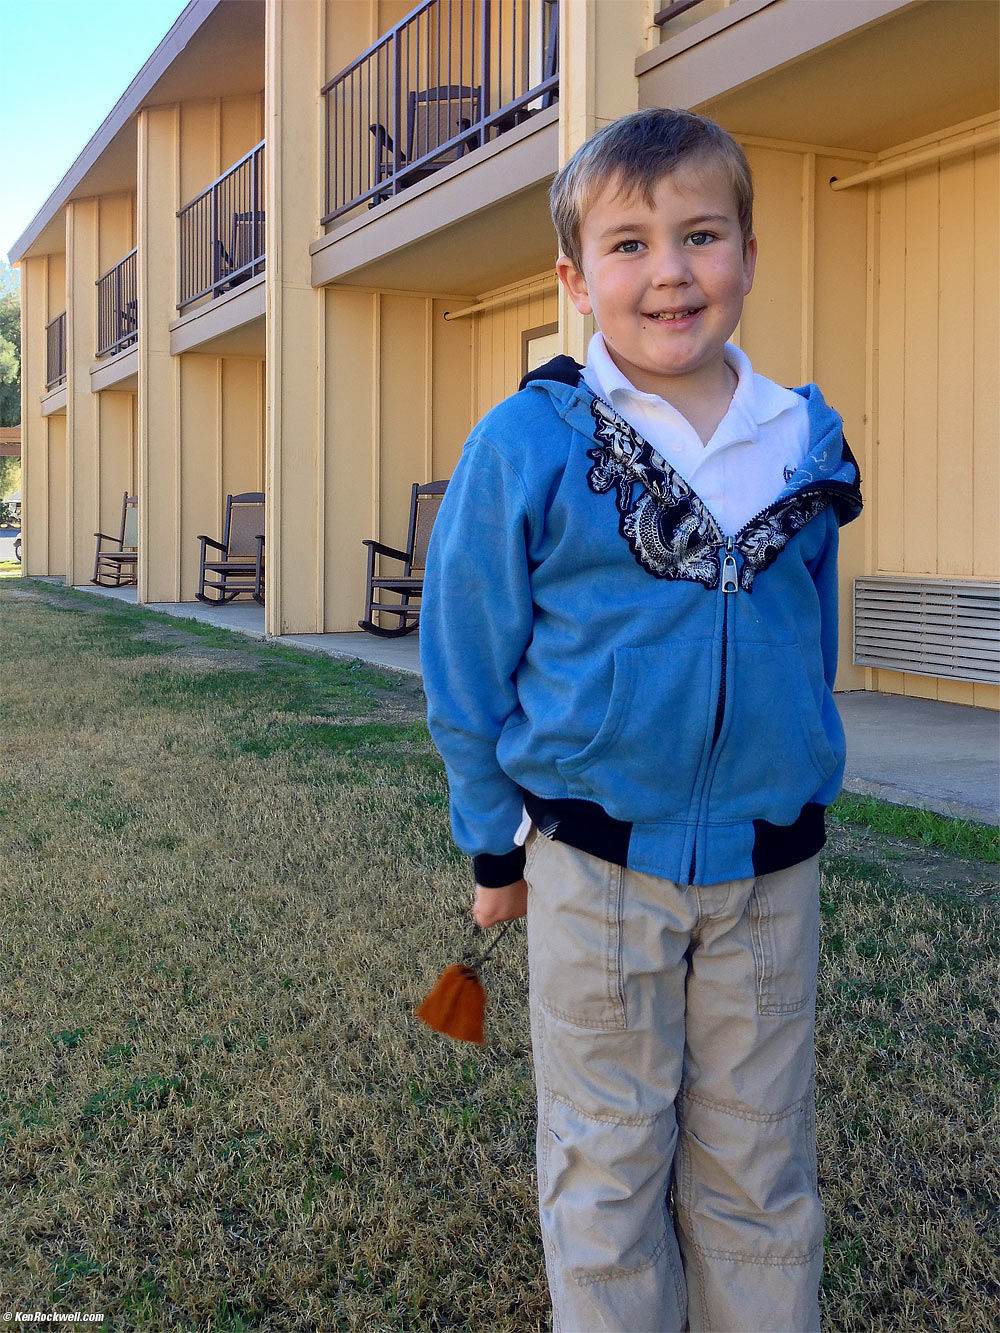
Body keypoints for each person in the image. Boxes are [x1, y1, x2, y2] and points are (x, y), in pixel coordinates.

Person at [420, 107, 862, 1333]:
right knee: (607, 1162)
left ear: (748, 253)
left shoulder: (797, 440)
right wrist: (490, 842)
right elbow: (465, 658)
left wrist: (799, 771)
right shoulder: (533, 441)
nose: (669, 270)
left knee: (759, 1160)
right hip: (597, 864)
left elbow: (807, 643)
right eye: (627, 244)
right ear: (573, 279)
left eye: (701, 234)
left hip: (769, 872)